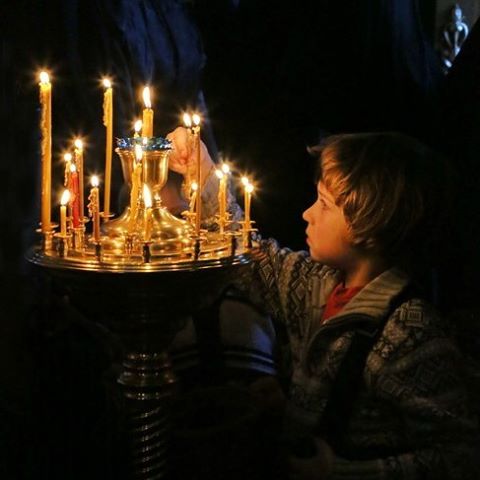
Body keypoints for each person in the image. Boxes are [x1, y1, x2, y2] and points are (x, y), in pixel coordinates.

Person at [167, 127, 478, 479]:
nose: (307, 214)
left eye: (324, 205)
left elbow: (461, 455)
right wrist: (202, 171)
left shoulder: (409, 335)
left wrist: (343, 471)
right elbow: (248, 257)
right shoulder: (317, 284)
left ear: (369, 225)